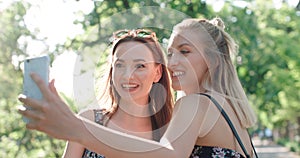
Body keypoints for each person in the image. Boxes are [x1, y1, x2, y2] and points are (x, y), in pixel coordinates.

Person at [18, 17, 257, 158]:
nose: (173, 62)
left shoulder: (195, 105)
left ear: (213, 60)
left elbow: (170, 156)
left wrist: (77, 128)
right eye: (171, 53)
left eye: (185, 51)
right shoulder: (230, 111)